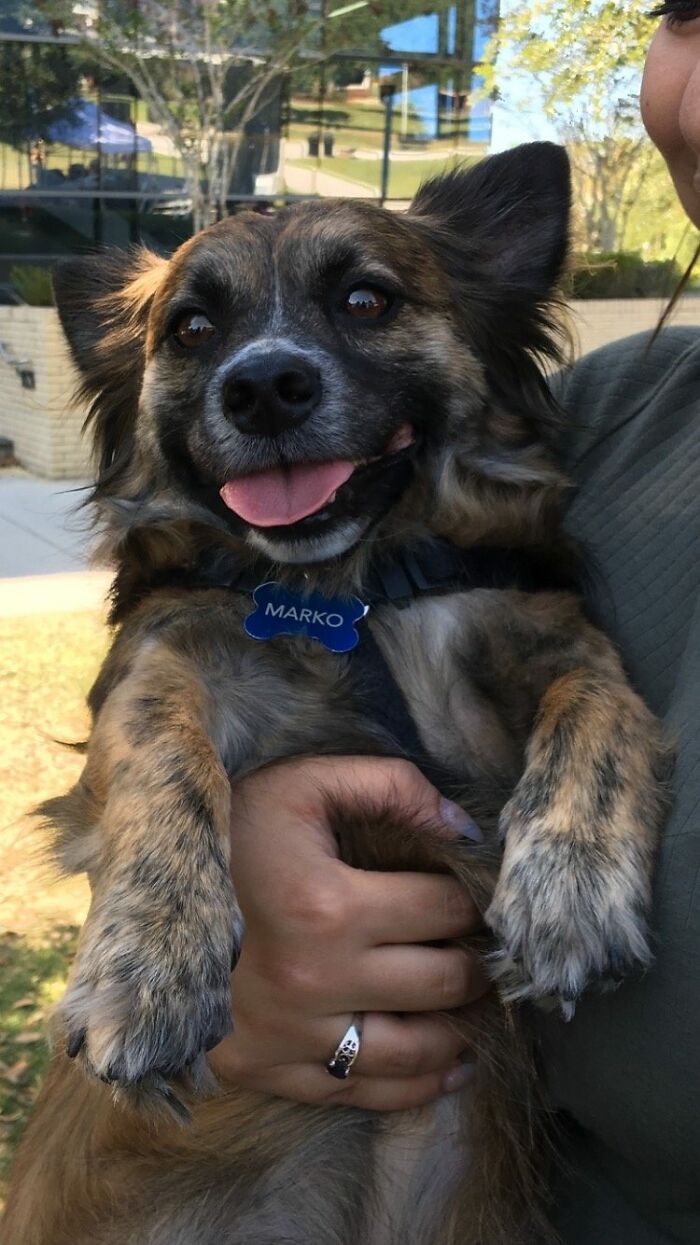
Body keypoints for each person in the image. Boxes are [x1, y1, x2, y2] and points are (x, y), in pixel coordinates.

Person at [208, 8, 700, 1241]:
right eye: (687, 13)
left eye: (366, 303)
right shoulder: (597, 420)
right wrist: (231, 869)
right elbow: (196, 612)